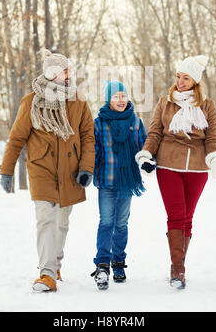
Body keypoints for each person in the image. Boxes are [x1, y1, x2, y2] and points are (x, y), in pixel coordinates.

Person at [0, 49, 95, 293]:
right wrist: (6, 170)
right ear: (52, 73)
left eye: (68, 70)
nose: (68, 74)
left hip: (70, 170)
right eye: (64, 70)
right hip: (41, 168)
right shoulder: (30, 101)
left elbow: (88, 138)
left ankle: (55, 263)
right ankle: (47, 273)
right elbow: (16, 138)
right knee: (45, 219)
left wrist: (86, 168)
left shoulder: (79, 102)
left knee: (62, 222)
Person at [135, 55, 216, 289]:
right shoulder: (164, 102)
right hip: (168, 165)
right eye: (178, 76)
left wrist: (214, 156)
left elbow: (213, 136)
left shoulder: (206, 104)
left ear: (195, 81)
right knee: (176, 215)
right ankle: (178, 269)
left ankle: (179, 265)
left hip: (197, 167)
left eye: (186, 78)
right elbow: (155, 132)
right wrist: (147, 154)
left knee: (188, 217)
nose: (180, 81)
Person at [91, 81, 150, 290]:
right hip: (106, 180)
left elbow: (144, 146)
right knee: (106, 222)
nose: (121, 100)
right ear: (108, 99)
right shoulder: (98, 123)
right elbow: (94, 151)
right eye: (116, 96)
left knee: (122, 224)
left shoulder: (135, 122)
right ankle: (102, 266)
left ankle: (118, 263)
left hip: (127, 182)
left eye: (123, 96)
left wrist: (148, 161)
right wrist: (86, 171)